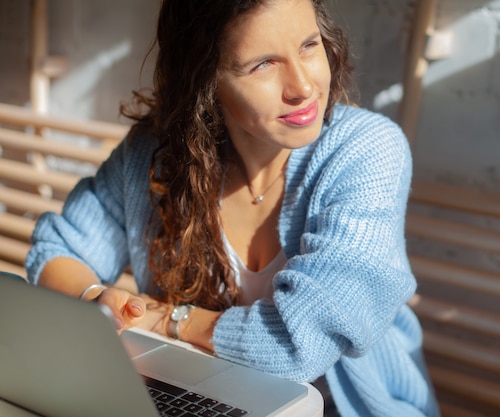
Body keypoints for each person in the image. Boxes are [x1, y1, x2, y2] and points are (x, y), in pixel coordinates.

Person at [25, 0, 440, 416]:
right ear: (204, 78)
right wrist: (94, 298)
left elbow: (298, 344)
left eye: (309, 45)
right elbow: (56, 251)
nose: (303, 86)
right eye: (262, 64)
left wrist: (168, 320)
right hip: (204, 400)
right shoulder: (152, 156)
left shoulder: (366, 151)